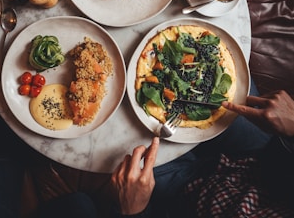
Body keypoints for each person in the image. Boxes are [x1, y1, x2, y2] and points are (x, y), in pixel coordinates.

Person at [110, 89, 294, 217]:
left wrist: (134, 211)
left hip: (185, 199)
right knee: (233, 92)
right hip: (259, 162)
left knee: (122, 149)